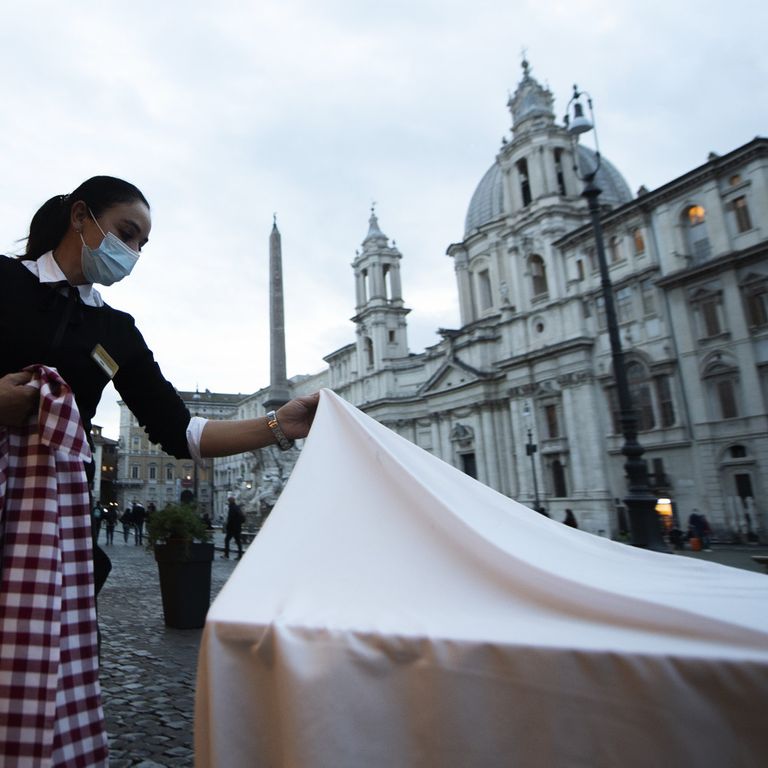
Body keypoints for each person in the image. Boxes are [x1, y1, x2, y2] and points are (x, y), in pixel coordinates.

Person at [0, 176, 318, 762]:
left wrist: (280, 427)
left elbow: (182, 431)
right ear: (80, 217)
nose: (133, 253)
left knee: (33, 669)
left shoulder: (115, 332)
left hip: (49, 535)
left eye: (143, 245)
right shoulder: (2, 280)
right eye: (126, 234)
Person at [223, 494, 245, 560]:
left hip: (232, 528)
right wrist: (239, 524)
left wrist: (227, 527)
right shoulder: (237, 507)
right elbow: (242, 518)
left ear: (230, 501)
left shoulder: (232, 508)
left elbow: (230, 519)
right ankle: (240, 555)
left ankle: (226, 555)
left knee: (227, 540)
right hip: (237, 527)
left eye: (229, 501)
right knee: (238, 542)